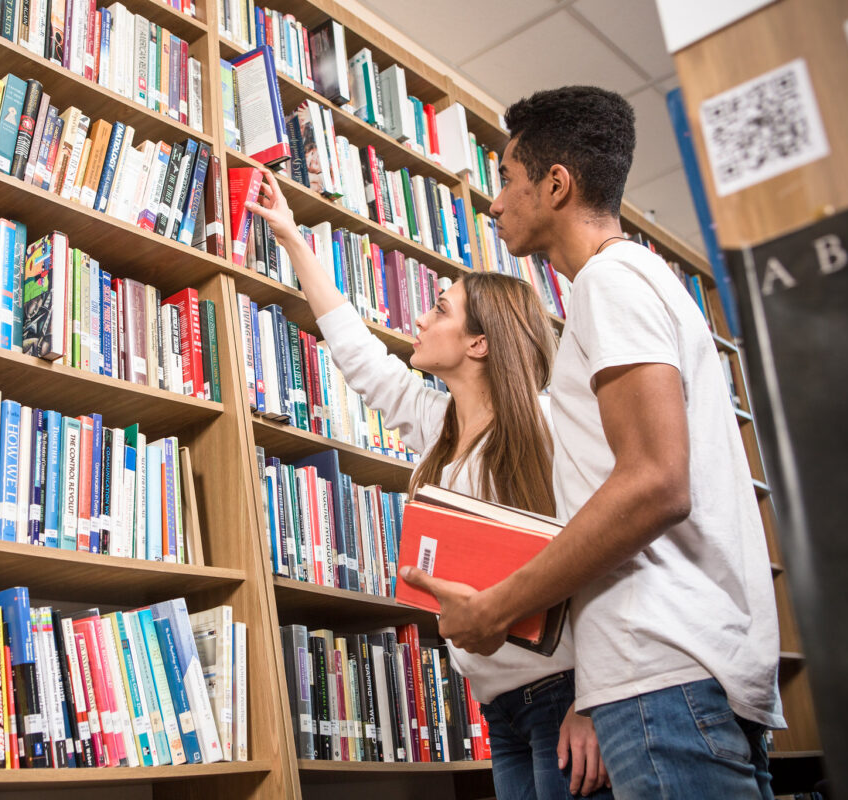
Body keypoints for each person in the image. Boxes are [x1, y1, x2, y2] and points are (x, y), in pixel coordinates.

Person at [399, 86, 784, 799]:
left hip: (662, 678)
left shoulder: (611, 282)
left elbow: (654, 484)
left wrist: (497, 606)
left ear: (555, 185)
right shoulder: (637, 284)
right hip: (676, 674)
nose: (495, 203)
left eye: (508, 181)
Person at [247, 170, 613, 799]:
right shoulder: (437, 427)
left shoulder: (552, 428)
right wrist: (291, 238)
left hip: (566, 697)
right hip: (498, 706)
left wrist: (597, 700)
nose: (420, 316)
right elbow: (359, 356)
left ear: (479, 342)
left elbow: (601, 557)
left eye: (440, 308)